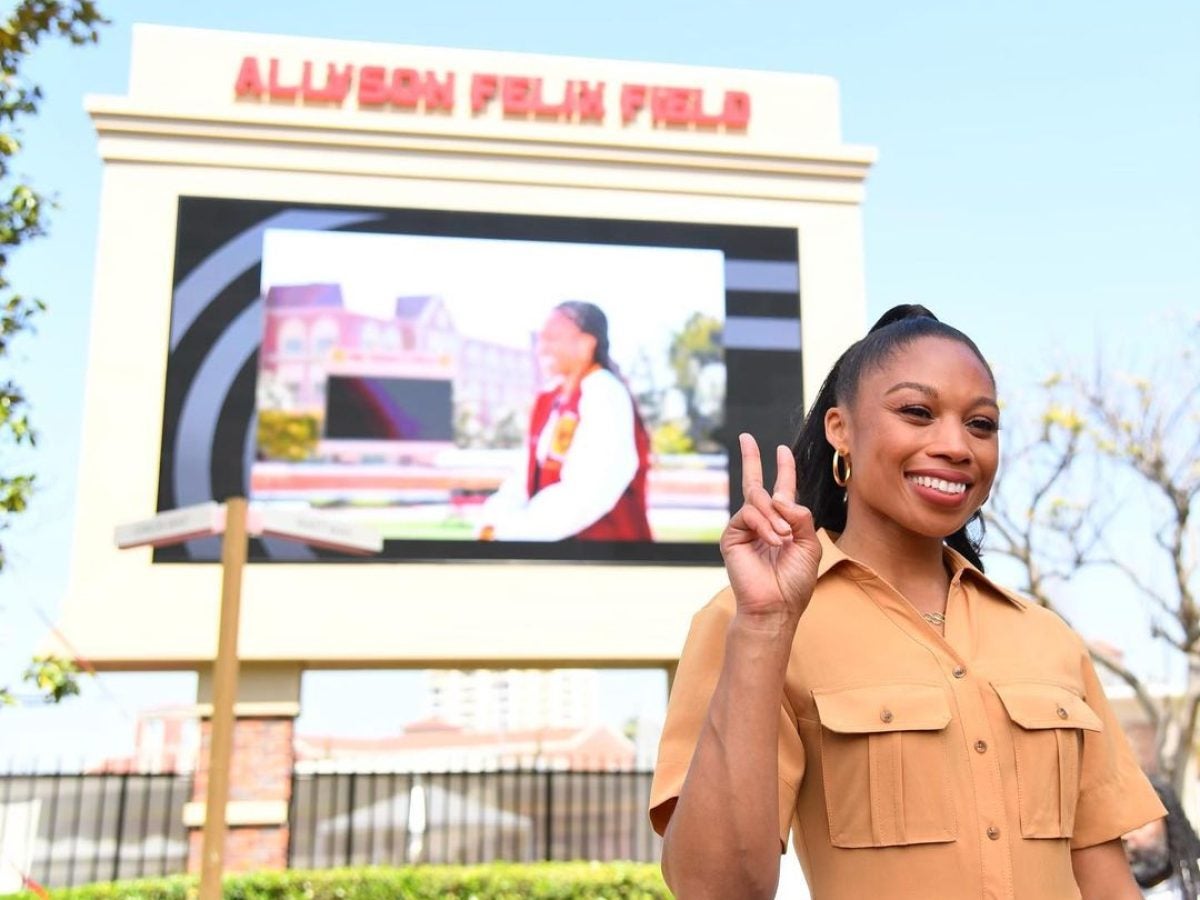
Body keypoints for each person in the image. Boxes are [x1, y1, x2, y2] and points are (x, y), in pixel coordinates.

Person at [649, 304, 1166, 899]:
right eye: (917, 413)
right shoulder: (753, 617)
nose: (955, 445)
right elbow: (715, 890)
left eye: (981, 424)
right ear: (840, 429)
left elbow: (1107, 884)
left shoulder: (1046, 637)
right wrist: (764, 626)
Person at [478, 300, 652, 542]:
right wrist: (492, 522)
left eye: (553, 338)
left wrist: (512, 531)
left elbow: (588, 491)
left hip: (605, 562)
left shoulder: (605, 393)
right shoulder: (548, 399)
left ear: (586, 343)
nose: (541, 348)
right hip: (553, 555)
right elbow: (523, 478)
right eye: (541, 339)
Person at [1123, 775, 1200, 898]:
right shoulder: (1113, 892)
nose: (1125, 836)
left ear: (1169, 823)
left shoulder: (1194, 883)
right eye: (1121, 828)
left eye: (1138, 824)